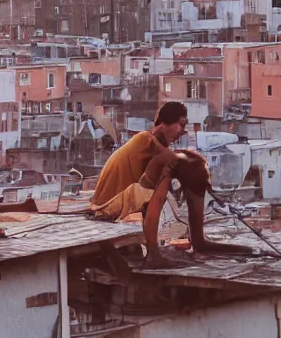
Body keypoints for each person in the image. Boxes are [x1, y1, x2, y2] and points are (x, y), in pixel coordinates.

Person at [89, 102, 250, 267]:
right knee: (171, 162)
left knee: (191, 166)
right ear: (164, 123)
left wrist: (196, 168)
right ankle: (153, 254)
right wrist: (191, 161)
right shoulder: (145, 140)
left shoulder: (157, 144)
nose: (184, 131)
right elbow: (171, 160)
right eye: (181, 124)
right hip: (107, 206)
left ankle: (198, 241)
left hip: (124, 198)